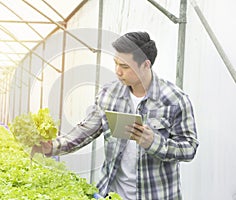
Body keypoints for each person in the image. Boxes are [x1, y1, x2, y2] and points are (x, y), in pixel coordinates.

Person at [32, 31, 199, 200]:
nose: (118, 71)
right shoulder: (109, 94)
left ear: (146, 65)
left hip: (158, 195)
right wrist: (52, 146)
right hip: (113, 194)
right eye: (116, 63)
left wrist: (154, 143)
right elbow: (85, 130)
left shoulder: (175, 100)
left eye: (125, 66)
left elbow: (189, 147)